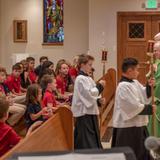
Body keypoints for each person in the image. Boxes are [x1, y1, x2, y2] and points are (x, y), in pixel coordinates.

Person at [111, 57, 155, 160]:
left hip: (137, 125)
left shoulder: (134, 82)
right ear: (130, 70)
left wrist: (149, 86)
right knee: (131, 154)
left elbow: (143, 94)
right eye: (137, 69)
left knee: (141, 152)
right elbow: (131, 106)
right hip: (128, 128)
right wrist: (149, 109)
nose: (138, 72)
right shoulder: (123, 86)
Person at [71, 54, 106, 149]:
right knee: (86, 138)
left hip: (90, 111)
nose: (91, 67)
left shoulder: (88, 78)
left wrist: (99, 101)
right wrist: (100, 86)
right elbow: (88, 94)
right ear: (82, 65)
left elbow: (93, 95)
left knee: (92, 135)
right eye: (90, 65)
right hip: (84, 112)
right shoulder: (80, 79)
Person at [147, 33, 160, 137]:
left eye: (157, 50)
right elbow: (150, 78)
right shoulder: (155, 62)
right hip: (155, 99)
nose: (155, 52)